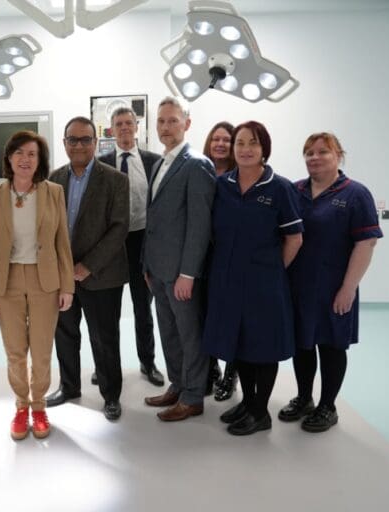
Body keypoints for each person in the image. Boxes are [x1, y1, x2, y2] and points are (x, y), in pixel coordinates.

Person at [202, 121, 304, 436]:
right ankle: (248, 403)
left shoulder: (279, 188)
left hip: (264, 283)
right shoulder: (223, 185)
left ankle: (261, 412)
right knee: (240, 344)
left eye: (253, 143)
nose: (246, 149)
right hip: (227, 280)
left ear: (264, 149)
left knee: (264, 346)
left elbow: (294, 238)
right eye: (240, 143)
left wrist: (272, 270)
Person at [279, 132, 382, 433]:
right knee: (302, 345)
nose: (315, 157)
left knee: (331, 346)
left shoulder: (355, 194)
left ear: (338, 155)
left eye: (323, 151)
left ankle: (328, 406)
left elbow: (366, 243)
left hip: (334, 287)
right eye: (309, 152)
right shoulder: (295, 190)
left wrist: (348, 288)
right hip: (297, 285)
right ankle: (304, 398)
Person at [0, 130, 74, 440]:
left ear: (40, 160)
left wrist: (67, 286)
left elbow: (62, 243)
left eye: (32, 154)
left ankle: (39, 406)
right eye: (19, 153)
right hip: (6, 281)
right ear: (9, 158)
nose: (25, 159)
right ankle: (21, 406)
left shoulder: (54, 192)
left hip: (45, 280)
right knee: (15, 350)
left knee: (42, 350)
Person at [44, 116, 130, 421]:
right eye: (73, 139)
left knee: (104, 339)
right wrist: (61, 268)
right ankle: (69, 387)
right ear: (64, 143)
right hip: (62, 276)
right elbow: (47, 228)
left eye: (85, 139)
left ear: (95, 142)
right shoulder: (53, 179)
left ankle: (111, 395)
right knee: (64, 333)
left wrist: (87, 266)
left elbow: (119, 229)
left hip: (102, 276)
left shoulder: (115, 180)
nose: (78, 145)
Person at [141, 97, 216, 422]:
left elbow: (200, 225)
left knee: (189, 335)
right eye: (161, 121)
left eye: (173, 120)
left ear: (187, 123)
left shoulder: (196, 164)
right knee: (169, 332)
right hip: (157, 270)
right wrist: (146, 264)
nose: (166, 127)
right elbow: (153, 219)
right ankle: (178, 385)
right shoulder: (159, 164)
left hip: (181, 273)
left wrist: (188, 273)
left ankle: (193, 396)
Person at [99, 107, 164, 387]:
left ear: (136, 127)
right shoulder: (100, 164)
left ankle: (147, 362)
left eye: (128, 123)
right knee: (107, 311)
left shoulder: (154, 162)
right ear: (111, 130)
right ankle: (106, 365)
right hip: (110, 245)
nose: (124, 127)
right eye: (119, 124)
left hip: (142, 243)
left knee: (143, 308)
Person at [202, 121, 238, 401]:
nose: (221, 144)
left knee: (233, 317)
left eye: (227, 139)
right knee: (206, 316)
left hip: (232, 257)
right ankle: (210, 368)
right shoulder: (201, 171)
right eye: (216, 139)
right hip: (203, 256)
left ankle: (231, 374)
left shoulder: (241, 176)